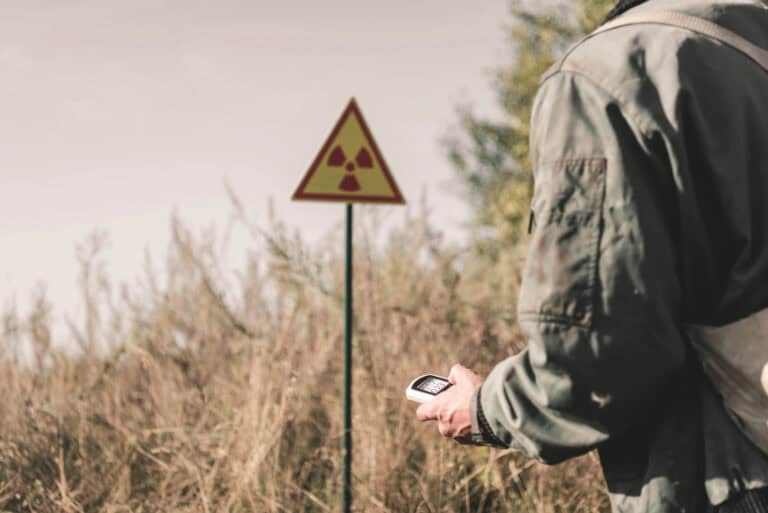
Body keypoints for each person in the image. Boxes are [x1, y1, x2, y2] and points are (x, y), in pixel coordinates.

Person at [415, 0, 768, 512]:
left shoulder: (608, 76)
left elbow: (596, 360)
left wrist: (485, 406)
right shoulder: (750, 42)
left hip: (727, 480)